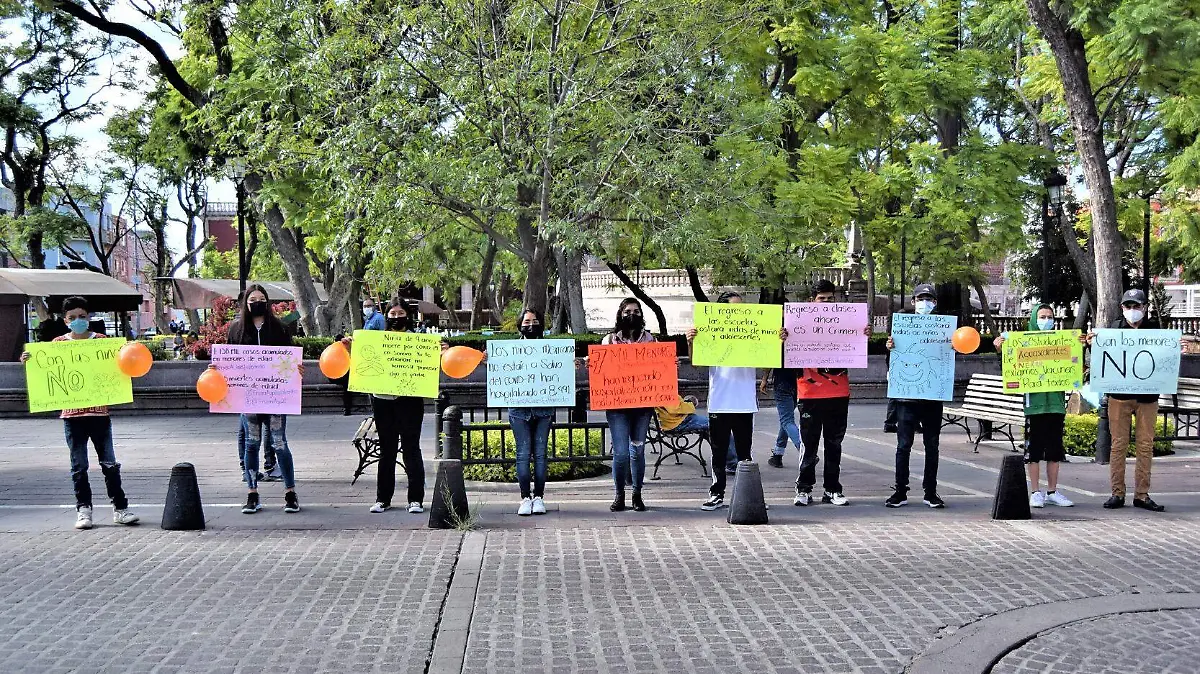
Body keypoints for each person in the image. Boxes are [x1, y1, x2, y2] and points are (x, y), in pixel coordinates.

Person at [20, 296, 139, 530]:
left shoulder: (103, 343)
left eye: (82, 317)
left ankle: (120, 508)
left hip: (99, 414)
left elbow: (119, 369)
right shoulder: (56, 345)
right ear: (65, 321)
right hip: (72, 416)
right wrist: (28, 361)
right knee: (79, 465)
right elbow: (43, 371)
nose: (77, 321)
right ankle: (84, 510)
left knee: (109, 463)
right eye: (72, 318)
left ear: (89, 318)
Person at [1085, 289, 1171, 511]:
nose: (1132, 311)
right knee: (1118, 445)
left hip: (1147, 397)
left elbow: (1164, 360)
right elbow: (1099, 359)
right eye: (1128, 306)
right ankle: (1117, 493)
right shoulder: (1113, 330)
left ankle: (1142, 494)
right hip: (1119, 396)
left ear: (1144, 308)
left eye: (1137, 306)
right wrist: (1090, 344)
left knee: (1145, 445)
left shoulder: (1155, 331)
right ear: (1122, 308)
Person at [342, 297, 430, 514]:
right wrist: (350, 349)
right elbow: (362, 365)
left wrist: (441, 351)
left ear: (407, 316)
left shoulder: (418, 341)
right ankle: (383, 498)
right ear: (386, 315)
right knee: (387, 450)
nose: (396, 318)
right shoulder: (375, 340)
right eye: (392, 314)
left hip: (410, 401)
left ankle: (416, 499)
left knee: (411, 449)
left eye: (401, 314)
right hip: (382, 401)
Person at [786, 279, 866, 507]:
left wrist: (863, 333)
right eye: (822, 299)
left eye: (831, 299)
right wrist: (784, 339)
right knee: (808, 445)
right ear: (812, 301)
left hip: (838, 393)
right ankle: (804, 488)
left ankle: (832, 489)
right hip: (809, 394)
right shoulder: (797, 323)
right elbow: (786, 357)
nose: (827, 303)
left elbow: (856, 346)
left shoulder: (846, 322)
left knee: (834, 444)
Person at [226, 285, 302, 514]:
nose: (257, 302)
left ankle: (290, 492)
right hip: (248, 397)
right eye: (253, 299)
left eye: (261, 298)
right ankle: (252, 493)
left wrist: (296, 369)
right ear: (245, 303)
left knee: (279, 443)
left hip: (275, 396)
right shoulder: (236, 329)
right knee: (252, 443)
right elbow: (229, 359)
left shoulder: (279, 327)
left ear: (267, 302)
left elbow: (289, 358)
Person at [995, 305, 1074, 509]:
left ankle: (1053, 491)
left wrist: (1081, 345)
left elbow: (1074, 364)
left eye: (1049, 317)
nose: (1046, 320)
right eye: (1042, 316)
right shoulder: (1023, 342)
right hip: (1034, 405)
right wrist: (999, 348)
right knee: (1034, 450)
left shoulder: (1061, 340)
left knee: (1055, 450)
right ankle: (1035, 491)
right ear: (1033, 319)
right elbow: (1010, 367)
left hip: (1056, 404)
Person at [688, 291, 759, 512]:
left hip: (744, 402)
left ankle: (747, 494)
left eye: (740, 308)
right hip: (720, 400)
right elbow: (696, 362)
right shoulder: (711, 332)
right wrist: (691, 342)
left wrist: (776, 340)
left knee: (744, 452)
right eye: (732, 308)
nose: (738, 312)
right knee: (718, 452)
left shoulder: (753, 330)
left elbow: (769, 358)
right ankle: (716, 493)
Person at [884, 283, 946, 508]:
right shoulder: (902, 325)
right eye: (921, 299)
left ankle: (931, 491)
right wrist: (890, 347)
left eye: (929, 299)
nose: (925, 303)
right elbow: (892, 360)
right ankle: (900, 491)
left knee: (932, 445)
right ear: (913, 302)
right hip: (906, 398)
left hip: (931, 397)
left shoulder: (943, 329)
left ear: (935, 303)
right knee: (903, 446)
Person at [603, 298, 655, 512]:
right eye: (627, 311)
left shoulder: (651, 340)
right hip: (618, 407)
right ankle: (619, 494)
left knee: (638, 451)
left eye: (635, 311)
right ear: (620, 315)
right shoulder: (609, 340)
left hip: (642, 407)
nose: (631, 315)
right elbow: (602, 370)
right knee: (621, 453)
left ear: (641, 315)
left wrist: (670, 364)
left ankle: (637, 494)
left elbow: (658, 369)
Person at [510, 308, 554, 516]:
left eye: (535, 321)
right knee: (523, 453)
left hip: (544, 408)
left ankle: (539, 497)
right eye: (527, 321)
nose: (531, 325)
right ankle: (525, 497)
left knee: (541, 454)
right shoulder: (510, 351)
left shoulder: (551, 349)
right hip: (519, 409)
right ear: (520, 325)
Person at [765, 365, 800, 469]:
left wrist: (764, 379)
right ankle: (778, 454)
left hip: (782, 382)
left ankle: (805, 450)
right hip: (798, 381)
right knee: (786, 420)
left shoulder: (777, 348)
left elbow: (768, 361)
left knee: (787, 420)